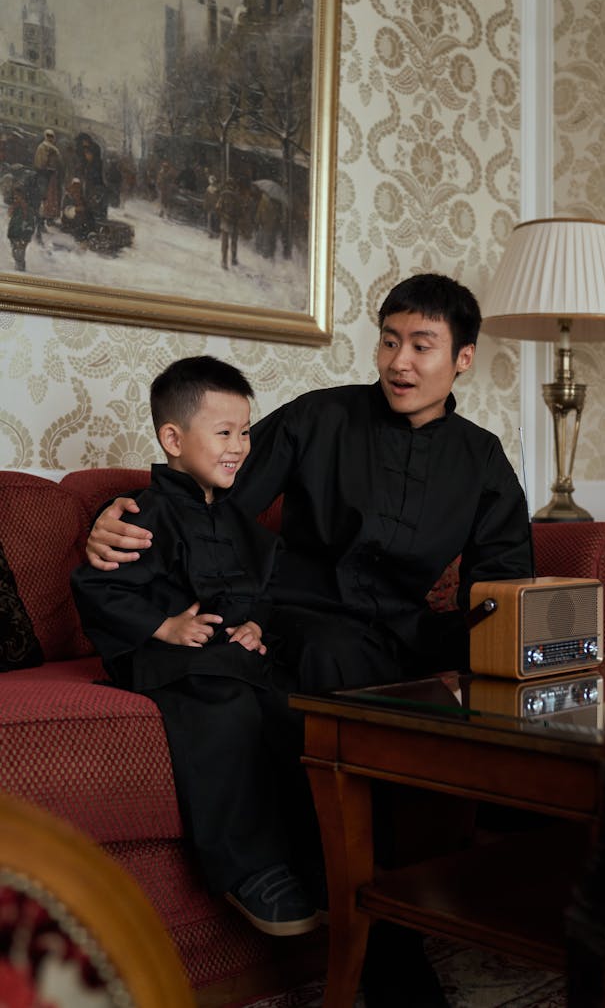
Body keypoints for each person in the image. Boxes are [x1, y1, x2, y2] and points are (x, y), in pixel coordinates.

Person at [85, 273, 532, 1005]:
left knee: (465, 678)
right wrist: (117, 511)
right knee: (337, 663)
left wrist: (498, 644)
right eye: (390, 340)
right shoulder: (319, 418)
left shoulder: (481, 459)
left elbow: (503, 581)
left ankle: (445, 895)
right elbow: (207, 490)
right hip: (293, 615)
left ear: (464, 359)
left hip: (401, 630)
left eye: (422, 345)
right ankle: (383, 939)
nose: (400, 361)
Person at [72, 355, 322, 939]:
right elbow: (97, 586)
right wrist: (163, 626)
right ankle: (249, 868)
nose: (239, 446)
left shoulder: (240, 520)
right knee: (224, 701)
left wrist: (257, 625)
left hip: (226, 652)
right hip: (162, 655)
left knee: (292, 703)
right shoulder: (143, 512)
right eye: (224, 432)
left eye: (244, 432)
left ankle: (311, 862)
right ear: (172, 438)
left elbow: (267, 586)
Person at [32, 128, 63, 238]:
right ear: (46, 136)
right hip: (45, 176)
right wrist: (47, 170)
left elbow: (57, 163)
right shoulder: (43, 147)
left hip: (52, 177)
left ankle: (45, 221)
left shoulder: (53, 148)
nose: (50, 138)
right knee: (43, 200)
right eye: (48, 135)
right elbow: (40, 163)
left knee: (50, 199)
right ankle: (40, 226)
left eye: (51, 136)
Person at [6, 183, 36, 271]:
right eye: (14, 196)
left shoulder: (26, 209)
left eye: (17, 196)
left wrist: (25, 240)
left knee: (19, 256)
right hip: (14, 235)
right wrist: (12, 209)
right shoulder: (16, 207)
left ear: (22, 196)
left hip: (21, 236)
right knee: (15, 254)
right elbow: (10, 216)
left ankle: (21, 273)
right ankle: (19, 270)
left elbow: (30, 225)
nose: (15, 198)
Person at [216, 175, 242, 268]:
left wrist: (223, 215)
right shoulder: (236, 195)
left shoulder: (223, 195)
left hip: (227, 221)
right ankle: (233, 259)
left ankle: (224, 261)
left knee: (225, 242)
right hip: (233, 221)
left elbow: (218, 208)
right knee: (233, 242)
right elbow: (240, 210)